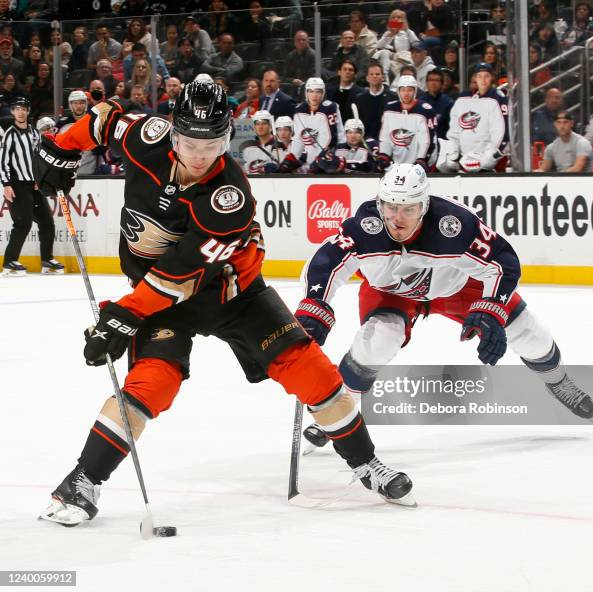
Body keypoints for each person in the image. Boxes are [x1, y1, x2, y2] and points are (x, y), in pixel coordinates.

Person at [34, 81, 414, 525]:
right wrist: (60, 148)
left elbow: (181, 274)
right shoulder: (148, 137)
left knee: (311, 369)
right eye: (191, 142)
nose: (200, 154)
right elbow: (104, 120)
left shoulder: (229, 197)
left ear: (228, 138)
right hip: (162, 298)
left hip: (232, 293)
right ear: (173, 133)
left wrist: (123, 315)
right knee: (153, 382)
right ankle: (81, 482)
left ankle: (365, 462)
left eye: (212, 143)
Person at [297, 163, 593, 448]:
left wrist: (491, 306)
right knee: (376, 342)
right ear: (380, 203)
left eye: (409, 209)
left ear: (424, 206)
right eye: (391, 207)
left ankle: (558, 381)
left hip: (459, 285)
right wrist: (314, 306)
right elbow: (325, 264)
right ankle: (338, 413)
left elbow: (502, 262)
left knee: (529, 332)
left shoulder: (454, 224)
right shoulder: (364, 227)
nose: (397, 219)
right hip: (393, 292)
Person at [1, 97, 63, 276]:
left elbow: (38, 158)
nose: (20, 112)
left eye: (23, 108)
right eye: (16, 108)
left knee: (47, 222)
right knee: (22, 224)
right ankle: (10, 262)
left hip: (34, 186)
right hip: (17, 185)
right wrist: (6, 184)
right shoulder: (10, 135)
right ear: (12, 112)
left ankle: (46, 259)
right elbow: (3, 162)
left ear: (28, 111)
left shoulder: (34, 133)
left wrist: (39, 179)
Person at [438, 62, 508, 174]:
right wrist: (453, 154)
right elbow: (454, 131)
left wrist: (491, 156)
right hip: (465, 161)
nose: (483, 80)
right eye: (480, 76)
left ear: (492, 78)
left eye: (487, 76)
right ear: (475, 78)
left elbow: (502, 132)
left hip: (489, 163)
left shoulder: (498, 98)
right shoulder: (463, 98)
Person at [279, 77, 345, 172]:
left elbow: (328, 138)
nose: (314, 95)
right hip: (310, 158)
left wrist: (319, 158)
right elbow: (298, 138)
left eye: (318, 91)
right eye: (311, 91)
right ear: (306, 93)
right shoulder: (299, 110)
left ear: (323, 93)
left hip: (330, 155)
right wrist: (292, 156)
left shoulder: (330, 108)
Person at [378, 75, 437, 171]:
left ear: (415, 91)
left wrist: (422, 159)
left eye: (409, 90)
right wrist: (384, 155)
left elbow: (427, 141)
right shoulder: (389, 109)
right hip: (395, 165)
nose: (406, 93)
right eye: (403, 90)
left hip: (419, 165)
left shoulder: (425, 111)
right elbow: (385, 137)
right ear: (398, 91)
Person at [354, 63, 397, 141]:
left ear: (383, 77)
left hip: (387, 141)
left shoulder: (393, 97)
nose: (374, 76)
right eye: (371, 74)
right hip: (366, 141)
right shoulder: (360, 99)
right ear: (367, 78)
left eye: (377, 74)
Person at [240, 109, 286, 174]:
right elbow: (246, 171)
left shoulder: (280, 145)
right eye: (257, 124)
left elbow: (284, 172)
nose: (260, 127)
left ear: (270, 126)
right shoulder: (248, 148)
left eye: (264, 123)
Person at [325, 59, 365, 124]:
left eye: (350, 70)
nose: (347, 72)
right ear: (339, 72)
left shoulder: (361, 93)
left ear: (355, 74)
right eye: (345, 69)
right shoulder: (329, 91)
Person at [421, 68, 453, 139]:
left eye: (437, 80)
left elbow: (451, 128)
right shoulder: (420, 102)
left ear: (442, 83)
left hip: (443, 141)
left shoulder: (448, 103)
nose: (433, 83)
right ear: (426, 83)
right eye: (431, 80)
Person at [283, 30, 315, 101]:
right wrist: (293, 80)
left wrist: (302, 83)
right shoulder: (290, 56)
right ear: (294, 42)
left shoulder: (313, 55)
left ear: (307, 41)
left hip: (308, 87)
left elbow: (314, 75)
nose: (301, 42)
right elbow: (285, 76)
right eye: (298, 40)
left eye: (303, 40)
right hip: (293, 86)